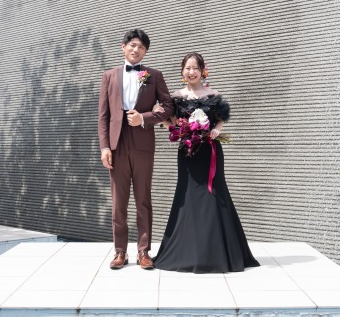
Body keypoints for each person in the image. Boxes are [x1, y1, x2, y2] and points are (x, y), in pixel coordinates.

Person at [152, 52, 260, 273]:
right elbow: (169, 122)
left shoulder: (213, 94)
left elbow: (221, 119)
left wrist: (216, 130)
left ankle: (219, 253)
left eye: (196, 68)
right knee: (188, 196)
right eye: (187, 68)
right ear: (182, 71)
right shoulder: (176, 97)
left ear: (203, 71)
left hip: (210, 152)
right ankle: (188, 251)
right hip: (188, 153)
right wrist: (169, 124)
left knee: (215, 194)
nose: (191, 72)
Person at [98, 29, 174, 270]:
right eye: (132, 45)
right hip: (116, 144)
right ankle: (120, 251)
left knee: (143, 198)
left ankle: (143, 251)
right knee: (118, 201)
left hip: (142, 140)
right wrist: (104, 147)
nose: (136, 50)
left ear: (146, 51)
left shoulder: (154, 75)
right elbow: (103, 116)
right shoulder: (109, 76)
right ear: (123, 46)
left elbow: (168, 106)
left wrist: (144, 118)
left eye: (141, 47)